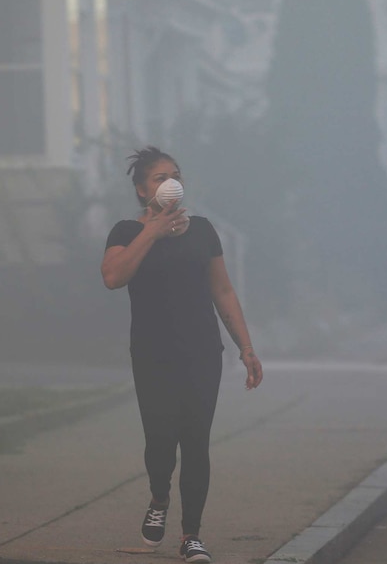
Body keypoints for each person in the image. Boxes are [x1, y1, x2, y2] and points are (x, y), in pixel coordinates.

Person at [101, 146, 263, 563]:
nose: (172, 181)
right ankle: (159, 496)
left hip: (201, 353)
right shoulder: (124, 231)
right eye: (159, 177)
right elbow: (113, 277)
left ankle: (191, 534)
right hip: (153, 355)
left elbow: (222, 290)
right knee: (159, 440)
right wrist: (151, 232)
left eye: (176, 174)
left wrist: (246, 347)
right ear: (142, 191)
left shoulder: (203, 231)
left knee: (195, 443)